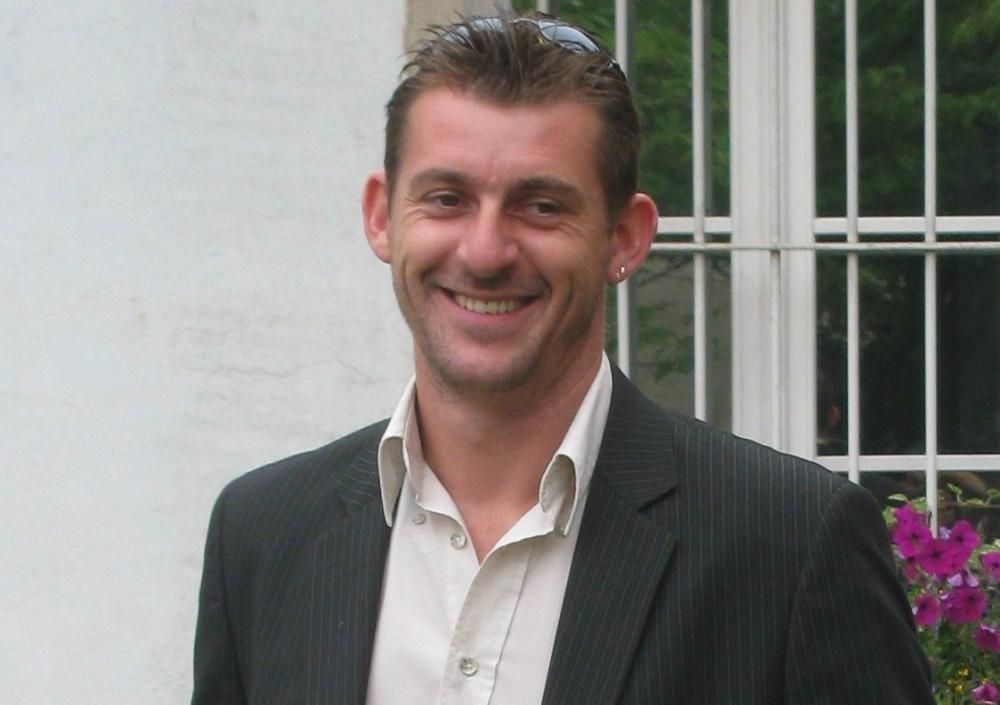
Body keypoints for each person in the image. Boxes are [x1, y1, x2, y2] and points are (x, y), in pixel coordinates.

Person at [191, 13, 934, 705]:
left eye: (540, 206)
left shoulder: (789, 544)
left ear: (624, 237)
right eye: (446, 198)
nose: (484, 252)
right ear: (382, 216)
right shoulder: (262, 534)